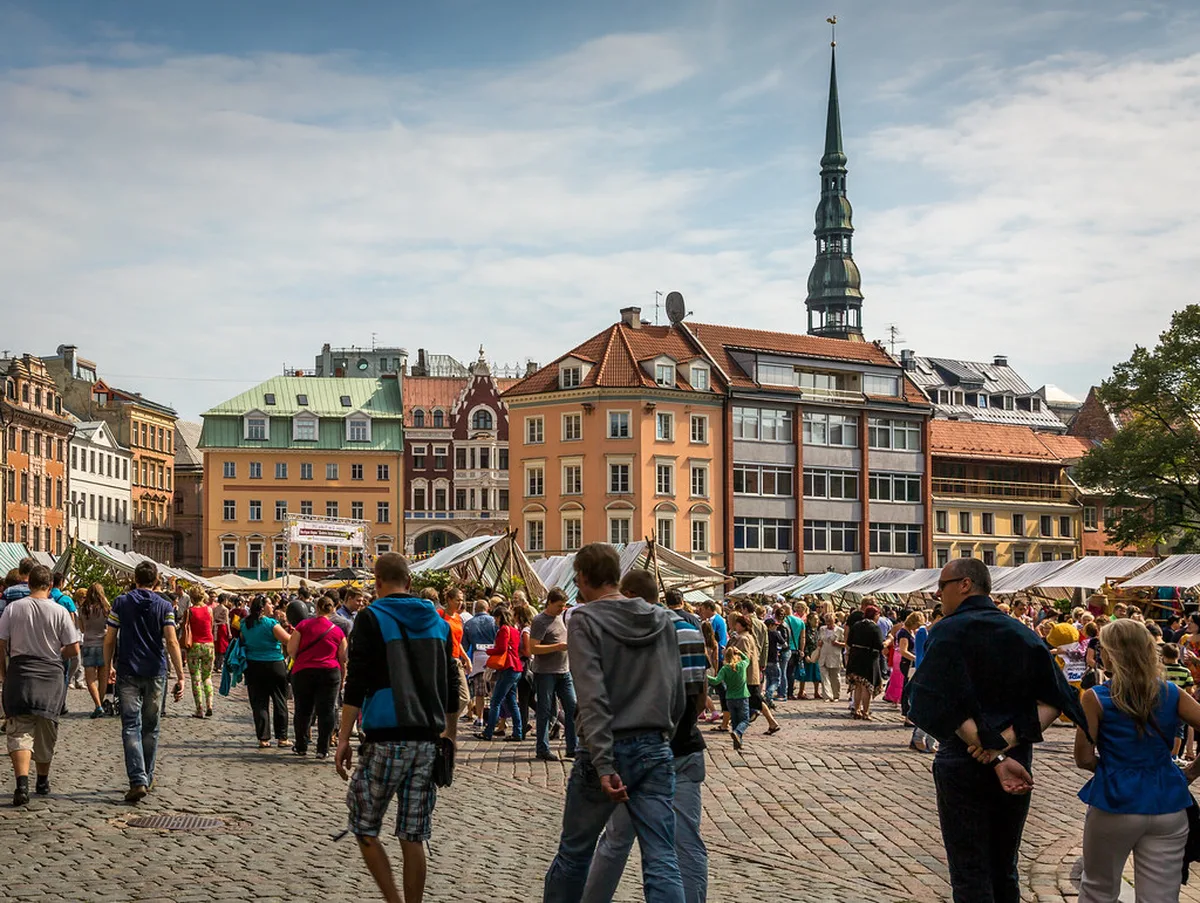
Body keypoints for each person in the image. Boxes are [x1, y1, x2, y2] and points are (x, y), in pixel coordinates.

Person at [908, 558, 1084, 903]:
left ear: (964, 585)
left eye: (941, 586)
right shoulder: (1022, 633)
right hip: (1016, 760)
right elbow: (1057, 698)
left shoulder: (948, 631)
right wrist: (1006, 744)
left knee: (970, 869)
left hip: (964, 758)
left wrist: (989, 748)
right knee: (1005, 866)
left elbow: (935, 700)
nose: (937, 595)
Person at [543, 543, 686, 903]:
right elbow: (676, 690)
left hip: (605, 747)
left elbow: (591, 695)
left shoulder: (585, 619)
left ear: (582, 578)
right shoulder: (661, 618)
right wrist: (662, 733)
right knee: (661, 857)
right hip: (653, 743)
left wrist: (604, 761)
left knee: (575, 853)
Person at [336, 552, 456, 903]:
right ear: (410, 582)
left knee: (364, 826)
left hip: (386, 737)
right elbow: (450, 682)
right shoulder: (439, 622)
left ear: (376, 583)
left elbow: (356, 682)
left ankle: (393, 899)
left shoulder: (371, 618)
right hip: (428, 740)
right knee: (413, 835)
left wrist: (342, 738)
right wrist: (450, 735)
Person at [582, 578, 709, 903]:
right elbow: (696, 697)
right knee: (684, 843)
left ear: (631, 597)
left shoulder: (617, 635)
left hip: (633, 752)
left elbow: (601, 700)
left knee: (615, 842)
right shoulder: (690, 631)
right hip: (683, 746)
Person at [1074, 619, 1200, 902]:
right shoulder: (1171, 692)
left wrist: (1109, 768)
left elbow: (1083, 758)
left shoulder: (1097, 697)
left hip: (1115, 800)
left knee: (1098, 888)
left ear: (1111, 654)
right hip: (1168, 801)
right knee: (1161, 895)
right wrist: (1191, 771)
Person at [103, 561, 186, 802]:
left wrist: (108, 665)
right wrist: (180, 675)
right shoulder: (164, 606)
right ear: (156, 581)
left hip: (127, 669)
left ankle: (138, 779)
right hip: (155, 670)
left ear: (135, 578)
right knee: (151, 727)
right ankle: (146, 777)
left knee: (130, 726)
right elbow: (171, 641)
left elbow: (109, 639)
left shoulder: (120, 602)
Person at [0, 565, 80, 805]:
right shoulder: (59, 611)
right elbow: (74, 648)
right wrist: (57, 656)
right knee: (46, 727)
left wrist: (3, 672)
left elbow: (1, 642)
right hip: (50, 675)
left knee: (19, 730)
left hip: (20, 673)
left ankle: (22, 784)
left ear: (29, 584)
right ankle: (42, 780)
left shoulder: (14, 609)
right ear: (51, 586)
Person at [288, 595, 347, 759]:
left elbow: (292, 650)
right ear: (332, 608)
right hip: (329, 672)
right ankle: (323, 748)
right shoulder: (337, 630)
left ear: (316, 608)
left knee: (302, 710)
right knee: (326, 711)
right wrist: (343, 676)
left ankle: (301, 745)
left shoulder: (303, 625)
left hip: (303, 671)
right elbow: (343, 657)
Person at [529, 587, 576, 762]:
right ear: (549, 602)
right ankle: (542, 748)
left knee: (572, 708)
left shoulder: (561, 617)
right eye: (558, 606)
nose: (561, 609)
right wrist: (556, 647)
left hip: (564, 671)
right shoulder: (540, 621)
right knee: (545, 711)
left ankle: (572, 747)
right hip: (546, 673)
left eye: (563, 606)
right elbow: (533, 647)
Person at [239, 595, 292, 749]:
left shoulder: (244, 623)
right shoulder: (271, 624)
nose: (273, 606)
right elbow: (287, 640)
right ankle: (282, 737)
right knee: (279, 701)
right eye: (269, 603)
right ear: (262, 607)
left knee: (259, 703)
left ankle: (263, 738)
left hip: (253, 665)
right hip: (274, 664)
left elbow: (243, 640)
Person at [478, 605, 524, 742]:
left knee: (495, 701)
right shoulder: (515, 630)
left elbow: (501, 648)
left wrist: (489, 651)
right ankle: (518, 732)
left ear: (499, 617)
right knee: (512, 702)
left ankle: (488, 731)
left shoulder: (503, 630)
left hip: (508, 667)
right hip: (516, 668)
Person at [436, 587, 472, 746]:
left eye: (462, 600)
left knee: (464, 697)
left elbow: (458, 642)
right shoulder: (440, 615)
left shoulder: (458, 618)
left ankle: (442, 724)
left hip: (455, 659)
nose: (460, 603)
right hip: (442, 659)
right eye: (457, 599)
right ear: (449, 600)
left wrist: (466, 658)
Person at [462, 597, 497, 728]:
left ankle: (480, 718)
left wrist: (465, 660)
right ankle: (495, 718)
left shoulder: (469, 624)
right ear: (487, 609)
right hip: (492, 656)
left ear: (475, 609)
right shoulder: (494, 621)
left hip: (477, 656)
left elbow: (465, 645)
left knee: (479, 691)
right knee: (494, 691)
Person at [182, 587, 216, 719]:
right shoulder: (209, 610)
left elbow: (185, 629)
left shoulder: (189, 611)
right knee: (207, 677)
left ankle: (199, 709)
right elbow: (211, 626)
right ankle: (210, 705)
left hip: (194, 646)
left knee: (195, 677)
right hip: (209, 645)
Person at [845, 605, 884, 720]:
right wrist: (888, 641)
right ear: (875, 615)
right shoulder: (874, 627)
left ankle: (857, 709)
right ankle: (865, 711)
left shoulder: (857, 625)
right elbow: (879, 645)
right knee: (867, 686)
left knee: (857, 685)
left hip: (855, 657)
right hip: (868, 658)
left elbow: (849, 641)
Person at [78, 584, 111, 718]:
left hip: (88, 644)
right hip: (103, 645)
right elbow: (110, 628)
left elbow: (82, 629)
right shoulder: (106, 609)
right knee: (103, 678)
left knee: (90, 679)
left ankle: (97, 705)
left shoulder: (83, 609)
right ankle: (100, 703)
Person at [709, 646, 750, 750]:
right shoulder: (742, 665)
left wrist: (705, 676)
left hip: (730, 698)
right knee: (745, 720)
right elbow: (747, 659)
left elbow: (716, 681)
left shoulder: (725, 669)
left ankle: (738, 742)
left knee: (735, 721)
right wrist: (740, 652)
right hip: (742, 696)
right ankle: (737, 733)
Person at [816, 611, 845, 702]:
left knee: (835, 677)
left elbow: (846, 644)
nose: (828, 624)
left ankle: (836, 695)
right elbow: (819, 639)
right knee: (824, 676)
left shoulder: (840, 630)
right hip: (823, 655)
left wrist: (838, 643)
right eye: (826, 621)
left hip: (834, 656)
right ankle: (827, 696)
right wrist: (819, 643)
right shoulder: (822, 629)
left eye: (830, 622)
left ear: (834, 621)